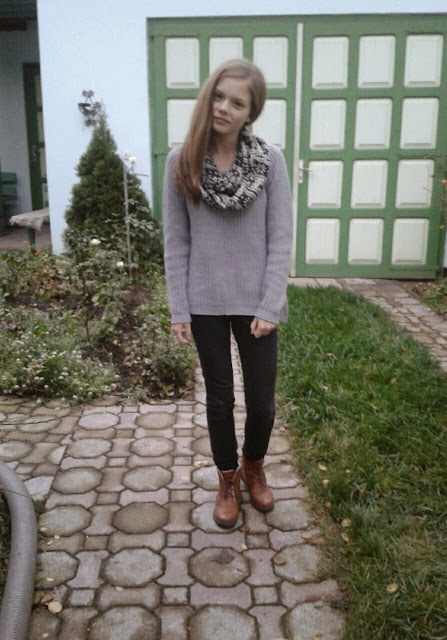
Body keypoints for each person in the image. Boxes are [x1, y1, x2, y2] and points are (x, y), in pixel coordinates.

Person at [162, 58, 293, 529]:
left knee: (262, 402)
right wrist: (179, 308)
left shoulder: (270, 161)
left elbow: (280, 239)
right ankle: (227, 478)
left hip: (257, 303)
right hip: (204, 303)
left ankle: (253, 464)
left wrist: (270, 304)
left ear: (250, 112)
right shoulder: (182, 161)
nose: (223, 108)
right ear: (208, 96)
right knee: (219, 399)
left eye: (237, 103)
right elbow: (176, 241)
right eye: (218, 96)